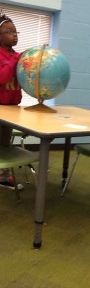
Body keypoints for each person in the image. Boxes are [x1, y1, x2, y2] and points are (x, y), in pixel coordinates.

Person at [0, 11, 23, 189]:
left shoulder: (17, 56)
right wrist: (16, 59)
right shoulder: (7, 56)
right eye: (9, 31)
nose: (14, 34)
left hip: (12, 109)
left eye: (16, 31)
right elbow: (2, 77)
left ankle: (2, 175)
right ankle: (3, 175)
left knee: (5, 144)